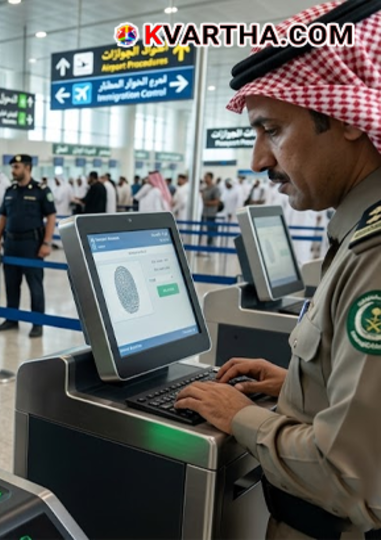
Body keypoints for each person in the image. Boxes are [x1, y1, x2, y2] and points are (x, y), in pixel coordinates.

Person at [175, 3, 381, 538]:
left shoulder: (376, 253)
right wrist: (298, 388)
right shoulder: (357, 230)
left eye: (271, 129)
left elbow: (348, 477)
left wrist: (240, 416)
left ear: (346, 119)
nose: (258, 160)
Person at [0, 154, 57, 338]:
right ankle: (12, 319)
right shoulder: (10, 191)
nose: (13, 170)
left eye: (17, 167)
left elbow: (51, 217)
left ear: (28, 168)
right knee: (11, 284)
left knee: (35, 286)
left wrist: (46, 242)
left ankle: (38, 323)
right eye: (12, 167)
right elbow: (3, 217)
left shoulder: (41, 190)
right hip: (11, 244)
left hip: (32, 245)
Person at [200, 172, 222, 247]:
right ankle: (201, 245)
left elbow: (216, 201)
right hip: (203, 212)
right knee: (201, 229)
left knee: (210, 229)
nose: (205, 179)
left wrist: (206, 203)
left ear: (211, 178)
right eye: (204, 177)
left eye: (207, 177)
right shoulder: (204, 188)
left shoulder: (215, 188)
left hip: (211, 213)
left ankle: (210, 245)